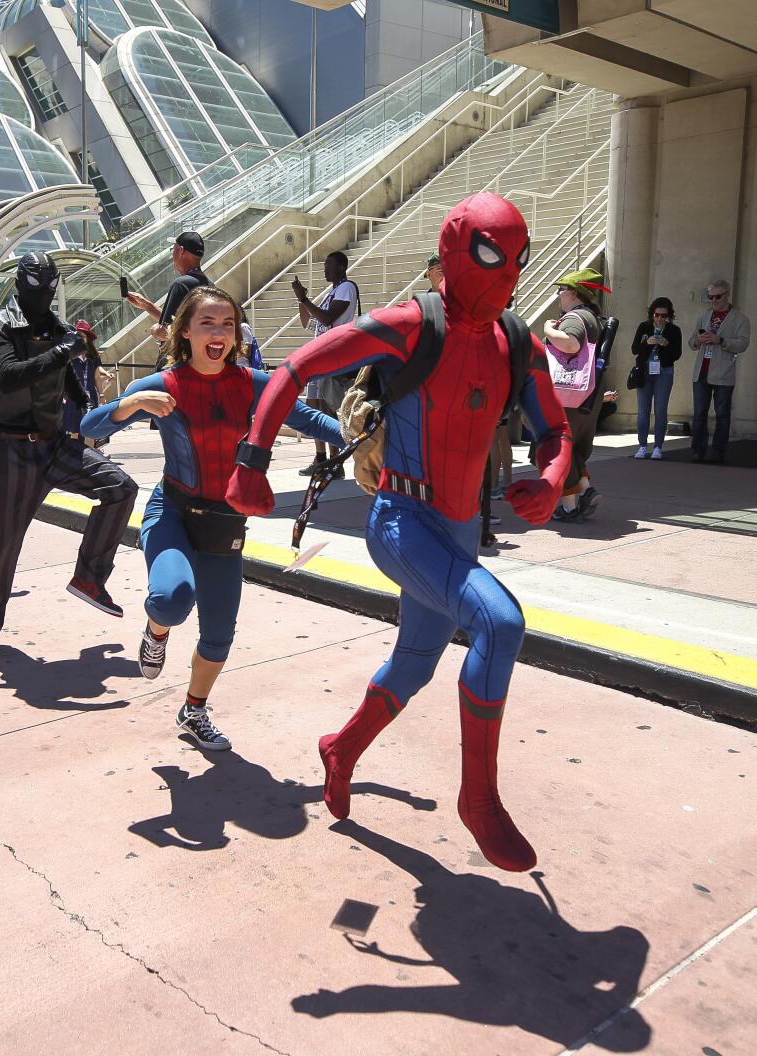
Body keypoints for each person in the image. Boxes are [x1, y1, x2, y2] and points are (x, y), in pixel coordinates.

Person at [227, 192, 573, 872]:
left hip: (460, 527)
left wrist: (555, 477)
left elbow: (555, 428)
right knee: (499, 623)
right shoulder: (412, 325)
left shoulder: (517, 340)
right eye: (489, 256)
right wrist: (252, 460)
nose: (505, 273)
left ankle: (341, 748)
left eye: (516, 260)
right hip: (401, 518)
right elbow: (296, 368)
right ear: (454, 249)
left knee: (415, 665)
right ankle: (479, 800)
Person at [83, 287, 343, 751]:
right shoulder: (161, 385)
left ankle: (193, 710)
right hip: (173, 512)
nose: (219, 332)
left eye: (228, 324)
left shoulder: (255, 383)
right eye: (208, 323)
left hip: (225, 522)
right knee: (170, 598)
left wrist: (367, 439)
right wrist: (130, 405)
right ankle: (156, 631)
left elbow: (309, 419)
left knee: (219, 634)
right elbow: (89, 428)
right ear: (185, 331)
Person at [0, 252, 138, 658]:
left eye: (49, 284)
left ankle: (89, 577)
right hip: (10, 449)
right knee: (3, 543)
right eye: (36, 284)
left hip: (55, 441)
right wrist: (64, 351)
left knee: (120, 487)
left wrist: (86, 406)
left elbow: (64, 380)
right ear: (20, 284)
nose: (43, 292)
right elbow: (8, 376)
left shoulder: (57, 328)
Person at [543, 270, 608, 522]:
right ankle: (586, 490)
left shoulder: (575, 317)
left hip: (567, 394)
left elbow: (570, 344)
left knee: (557, 446)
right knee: (572, 447)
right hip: (583, 396)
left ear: (573, 292)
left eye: (561, 290)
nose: (559, 295)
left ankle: (569, 507)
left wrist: (548, 329)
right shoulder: (592, 317)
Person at [292, 251, 359, 476]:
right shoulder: (331, 293)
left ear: (341, 267)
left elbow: (328, 318)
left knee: (329, 409)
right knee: (314, 406)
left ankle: (336, 461)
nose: (325, 269)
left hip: (332, 355)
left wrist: (304, 299)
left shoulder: (347, 287)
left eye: (329, 265)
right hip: (318, 356)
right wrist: (300, 300)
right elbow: (309, 323)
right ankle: (321, 458)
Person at [688, 279, 749, 463]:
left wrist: (720, 340)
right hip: (701, 371)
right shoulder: (705, 316)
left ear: (727, 295)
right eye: (710, 297)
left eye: (718, 296)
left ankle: (718, 451)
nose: (714, 300)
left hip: (723, 372)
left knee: (722, 413)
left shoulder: (739, 318)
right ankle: (698, 450)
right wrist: (699, 339)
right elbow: (691, 343)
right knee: (699, 412)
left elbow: (743, 343)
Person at [125, 230, 212, 345]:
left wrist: (154, 330)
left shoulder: (181, 284)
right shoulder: (210, 285)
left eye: (173, 249)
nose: (172, 254)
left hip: (181, 359)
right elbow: (180, 322)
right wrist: (147, 306)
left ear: (181, 251)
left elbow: (166, 330)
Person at [630, 297, 682, 459]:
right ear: (652, 314)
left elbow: (677, 354)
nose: (660, 318)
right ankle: (642, 446)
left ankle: (658, 447)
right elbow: (634, 349)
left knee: (660, 410)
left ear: (669, 316)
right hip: (645, 372)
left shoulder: (674, 330)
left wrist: (666, 344)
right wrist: (647, 343)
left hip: (664, 372)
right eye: (657, 315)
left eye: (664, 316)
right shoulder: (644, 327)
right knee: (643, 411)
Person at [63, 320, 112, 444]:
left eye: (82, 336)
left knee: (89, 429)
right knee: (74, 430)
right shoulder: (69, 355)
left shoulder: (94, 356)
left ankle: (89, 458)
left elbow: (97, 374)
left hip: (90, 397)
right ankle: (75, 458)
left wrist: (101, 394)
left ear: (88, 339)